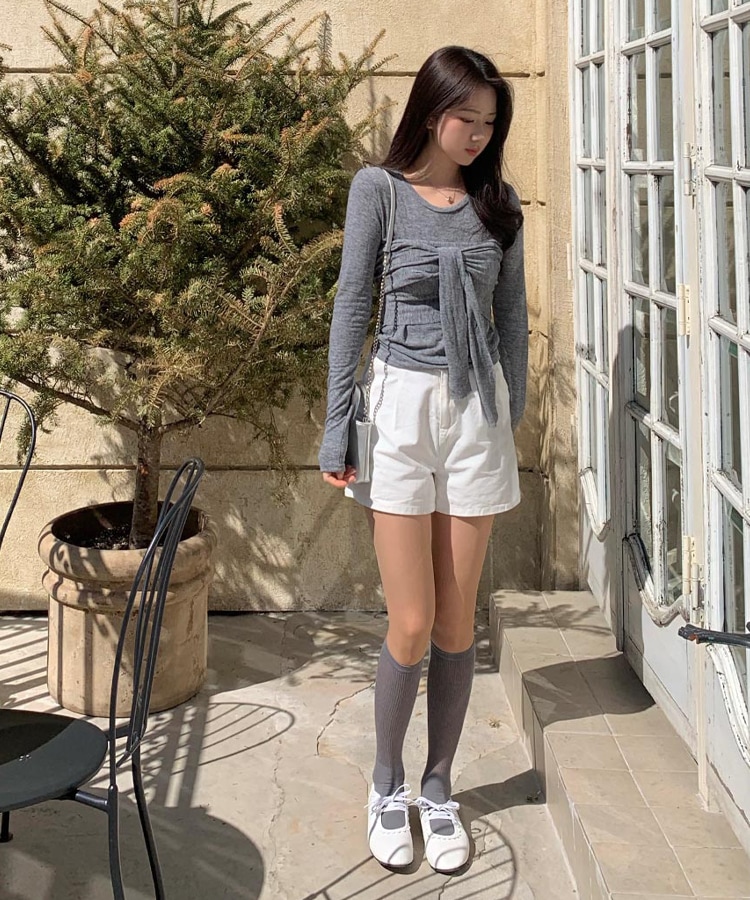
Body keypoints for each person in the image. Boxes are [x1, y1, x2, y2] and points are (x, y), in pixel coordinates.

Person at [318, 45, 527, 873]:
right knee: (409, 620)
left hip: (477, 412)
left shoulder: (498, 204)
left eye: (489, 122)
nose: (476, 134)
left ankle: (439, 789)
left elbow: (510, 316)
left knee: (455, 621)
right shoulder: (378, 190)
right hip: (400, 406)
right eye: (463, 117)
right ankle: (387, 782)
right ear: (430, 109)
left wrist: (508, 417)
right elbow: (352, 304)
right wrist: (337, 428)